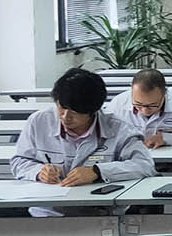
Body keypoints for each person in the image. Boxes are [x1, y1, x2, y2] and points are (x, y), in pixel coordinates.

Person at [10, 68, 155, 217]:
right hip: (46, 213)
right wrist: (39, 172)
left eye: (75, 112)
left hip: (100, 215)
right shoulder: (39, 121)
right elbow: (19, 161)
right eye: (62, 107)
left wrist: (98, 172)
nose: (66, 117)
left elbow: (145, 165)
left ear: (93, 111)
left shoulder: (120, 129)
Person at [105, 69, 172, 148]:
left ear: (165, 92)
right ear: (131, 89)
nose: (145, 110)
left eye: (153, 105)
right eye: (138, 104)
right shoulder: (117, 105)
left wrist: (168, 139)